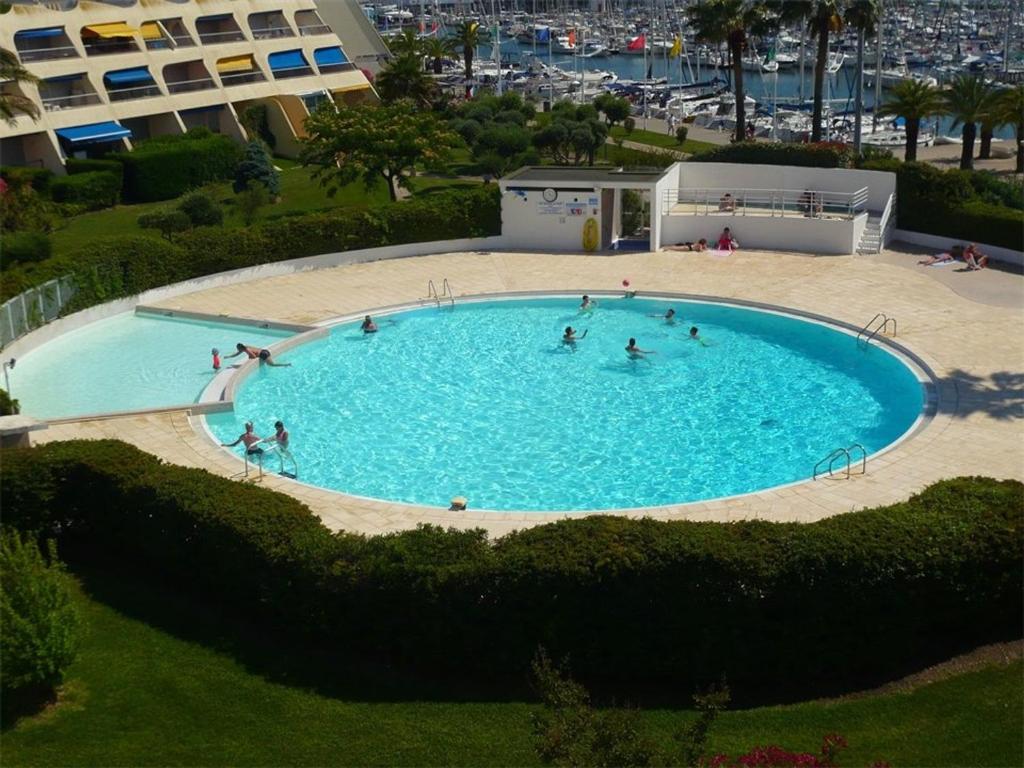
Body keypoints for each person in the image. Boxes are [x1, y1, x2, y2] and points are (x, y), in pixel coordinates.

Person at [225, 343, 292, 367]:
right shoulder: (246, 346)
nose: (238, 350)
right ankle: (285, 363)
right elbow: (237, 354)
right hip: (265, 351)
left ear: (240, 348)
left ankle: (286, 365)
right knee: (271, 363)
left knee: (272, 365)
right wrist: (229, 356)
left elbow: (253, 356)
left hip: (263, 354)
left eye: (238, 349)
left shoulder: (247, 350)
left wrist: (250, 357)